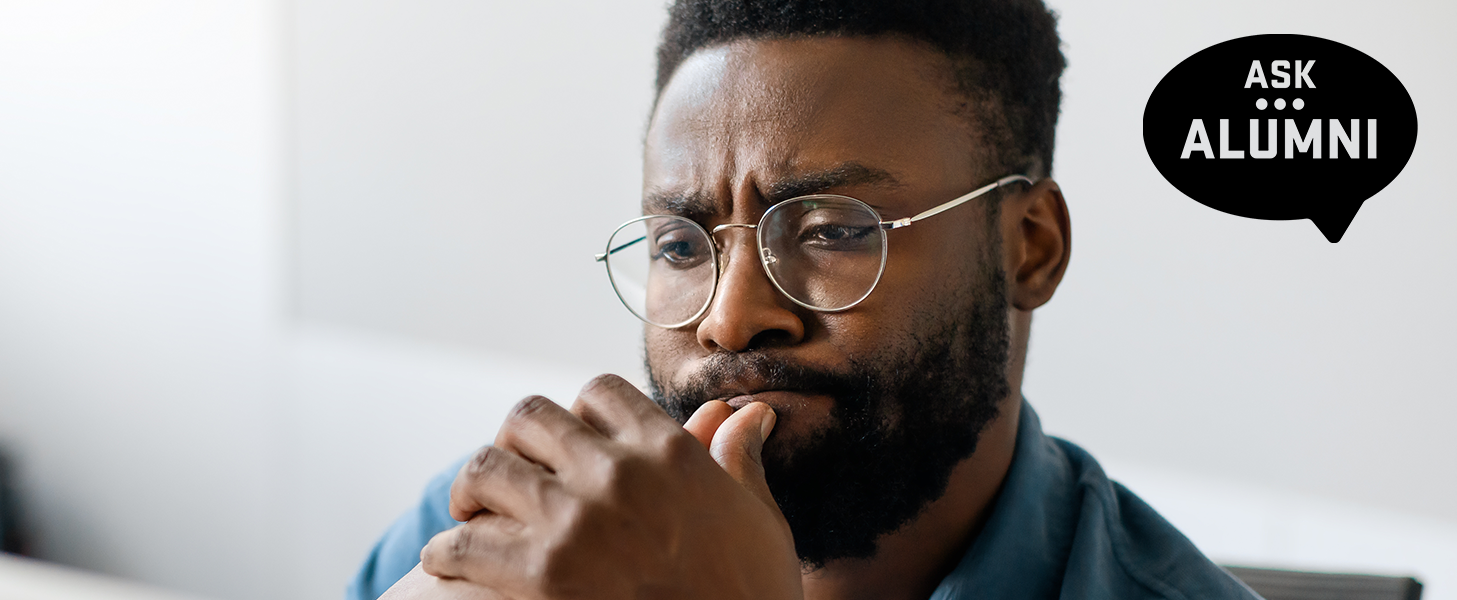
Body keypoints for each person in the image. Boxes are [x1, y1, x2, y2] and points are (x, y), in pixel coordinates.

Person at [350, 0, 1261, 598]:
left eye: (831, 230)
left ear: (1030, 248)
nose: (730, 317)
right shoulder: (504, 539)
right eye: (680, 244)